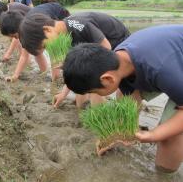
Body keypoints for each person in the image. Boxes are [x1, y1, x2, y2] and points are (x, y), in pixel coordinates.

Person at [62, 25, 183, 173]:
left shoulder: (161, 70)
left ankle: (165, 176)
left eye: (94, 91)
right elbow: (130, 96)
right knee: (124, 97)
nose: (98, 96)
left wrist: (152, 135)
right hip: (169, 61)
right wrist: (115, 134)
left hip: (173, 67)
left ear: (107, 79)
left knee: (170, 136)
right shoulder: (117, 60)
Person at [19, 12, 130, 108]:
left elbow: (106, 47)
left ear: (47, 30)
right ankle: (83, 111)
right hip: (100, 52)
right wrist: (63, 94)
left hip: (120, 45)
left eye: (46, 46)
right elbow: (75, 72)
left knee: (100, 84)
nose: (49, 49)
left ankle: (101, 114)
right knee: (82, 85)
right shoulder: (64, 39)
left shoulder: (79, 25)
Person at [0, 2, 70, 82]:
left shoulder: (34, 28)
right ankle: (45, 74)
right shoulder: (24, 31)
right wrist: (15, 75)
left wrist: (54, 80)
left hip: (60, 14)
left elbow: (54, 52)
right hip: (44, 15)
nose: (16, 39)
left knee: (58, 48)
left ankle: (59, 79)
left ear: (18, 30)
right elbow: (24, 55)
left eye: (15, 36)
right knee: (36, 51)